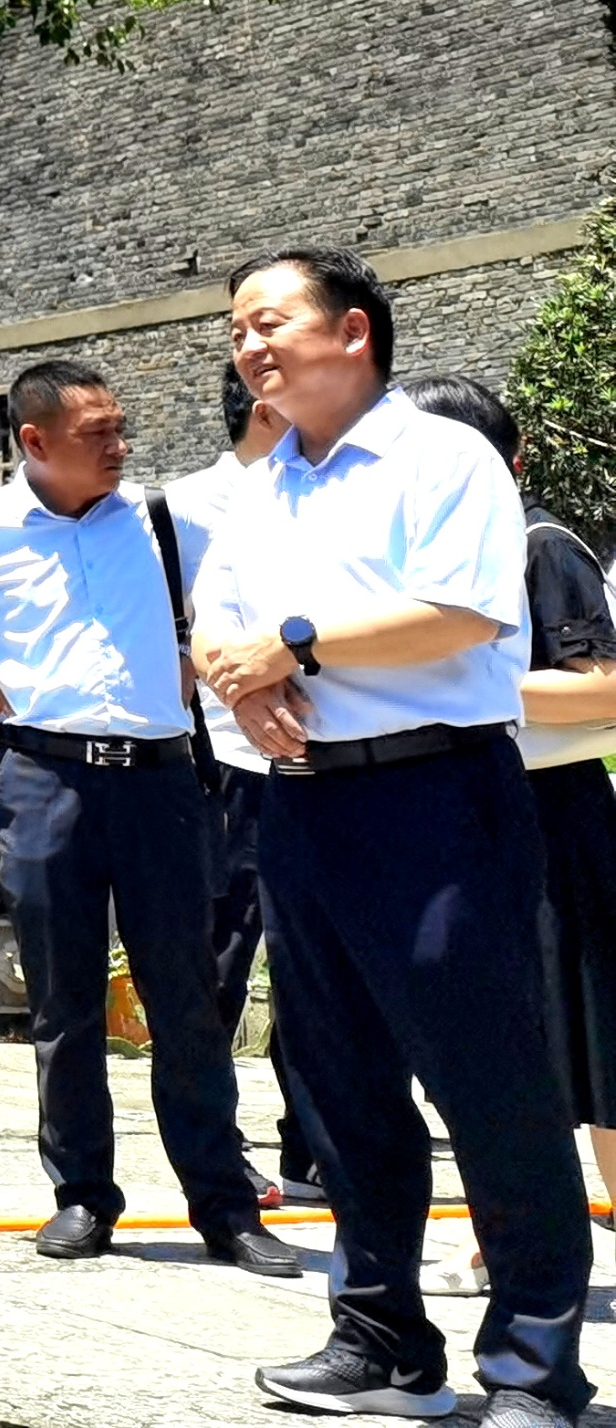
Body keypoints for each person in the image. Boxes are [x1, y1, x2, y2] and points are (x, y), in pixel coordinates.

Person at [188, 251, 590, 1428]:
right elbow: (216, 616)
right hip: (302, 801)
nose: (250, 344)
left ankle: (531, 1364)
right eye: (238, 329)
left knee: (489, 1083)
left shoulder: (440, 457)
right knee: (338, 1083)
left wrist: (293, 647)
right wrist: (244, 681)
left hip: (437, 798)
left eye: (270, 321)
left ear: (351, 330)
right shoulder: (262, 485)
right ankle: (380, 1335)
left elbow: (464, 607)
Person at [0, 357, 300, 1276]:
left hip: (160, 781)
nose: (117, 446)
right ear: (33, 442)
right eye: (95, 434)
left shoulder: (160, 518)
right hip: (43, 776)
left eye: (119, 428)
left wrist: (211, 660)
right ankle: (81, 1197)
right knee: (62, 1001)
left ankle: (223, 1206)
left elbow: (233, 594)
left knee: (187, 1000)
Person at [386, 374, 616, 1298]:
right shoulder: (438, 561)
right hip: (460, 812)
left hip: (554, 819)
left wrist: (445, 676)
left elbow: (602, 685)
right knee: (492, 1048)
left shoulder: (536, 543)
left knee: (593, 1045)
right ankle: (506, 1240)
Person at [164, 364, 319, 1199]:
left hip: (318, 757)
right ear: (266, 408)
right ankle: (215, 1147)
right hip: (222, 763)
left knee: (317, 958)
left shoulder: (321, 496)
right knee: (220, 958)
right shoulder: (182, 509)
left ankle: (313, 1140)